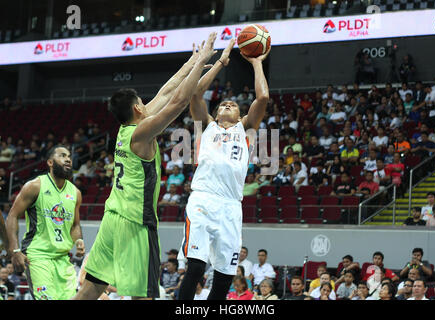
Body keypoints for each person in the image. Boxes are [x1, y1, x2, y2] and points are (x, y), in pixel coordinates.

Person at [72, 32, 218, 300]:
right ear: (138, 108)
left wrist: (191, 63)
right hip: (135, 222)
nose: (146, 103)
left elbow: (166, 92)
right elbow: (177, 102)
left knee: (92, 287)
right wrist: (202, 62)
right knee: (144, 295)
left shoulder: (125, 129)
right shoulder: (142, 134)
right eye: (141, 101)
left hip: (112, 218)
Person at [177, 37, 270, 301]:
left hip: (231, 206)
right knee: (195, 266)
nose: (228, 104)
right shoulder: (207, 125)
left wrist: (256, 62)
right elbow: (195, 93)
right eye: (223, 105)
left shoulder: (246, 128)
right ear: (216, 114)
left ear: (240, 114)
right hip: (203, 200)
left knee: (224, 277)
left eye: (233, 104)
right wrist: (220, 62)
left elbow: (262, 96)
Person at [5, 145, 85, 300]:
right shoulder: (35, 186)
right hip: (38, 256)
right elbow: (12, 216)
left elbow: (75, 225)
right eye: (62, 155)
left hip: (63, 259)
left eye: (69, 156)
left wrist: (79, 240)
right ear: (50, 162)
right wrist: (15, 250)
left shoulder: (75, 193)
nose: (68, 159)